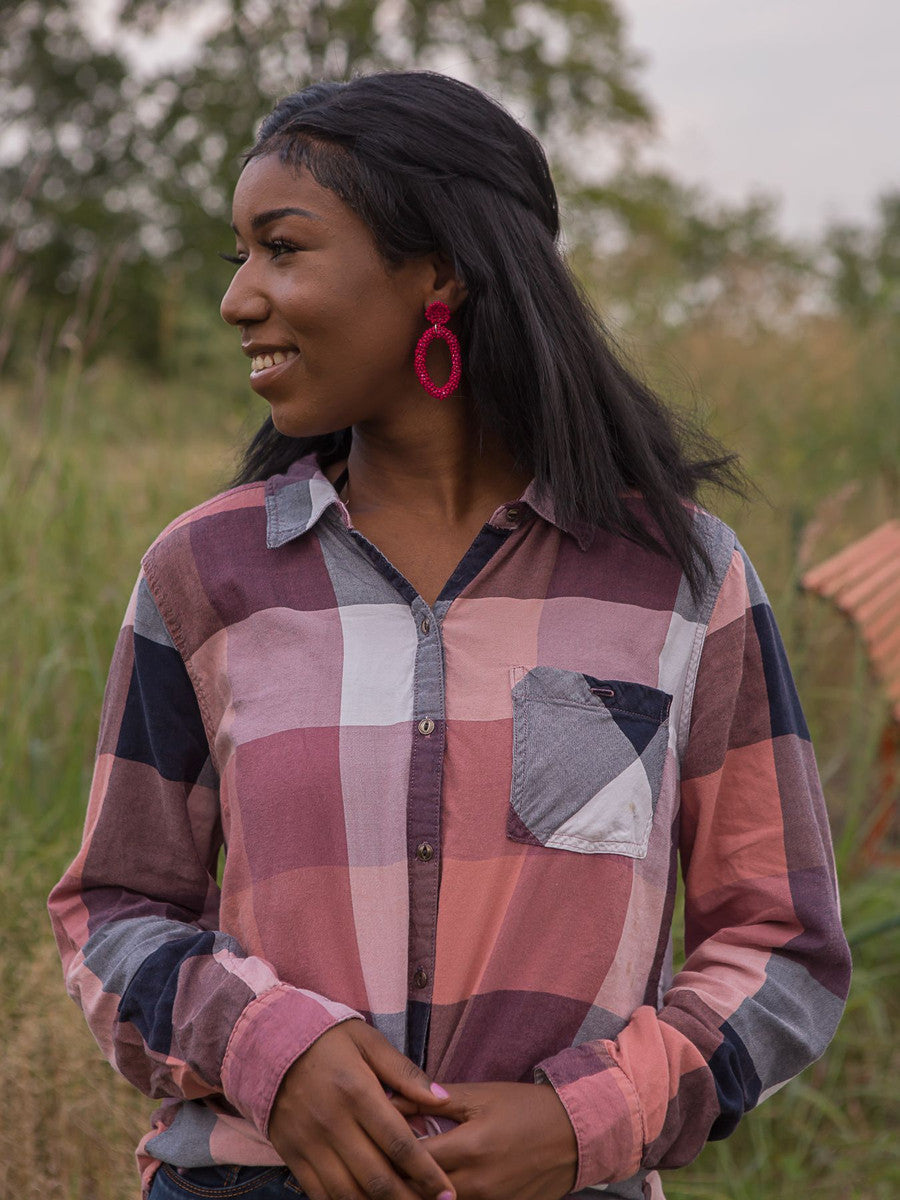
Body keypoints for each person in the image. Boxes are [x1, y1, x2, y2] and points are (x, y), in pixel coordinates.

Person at [48, 70, 851, 1200]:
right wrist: (271, 1049)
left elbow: (783, 946)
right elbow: (114, 908)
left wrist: (592, 1120)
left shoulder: (683, 580)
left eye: (282, 248)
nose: (239, 298)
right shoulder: (203, 575)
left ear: (440, 271)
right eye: (240, 256)